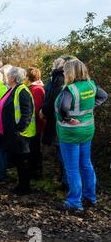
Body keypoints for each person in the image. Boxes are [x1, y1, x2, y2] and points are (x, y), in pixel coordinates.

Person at [55, 59, 108, 211]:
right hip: (87, 130)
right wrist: (91, 108)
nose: (63, 73)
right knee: (86, 164)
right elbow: (104, 96)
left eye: (65, 70)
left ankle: (74, 203)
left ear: (71, 72)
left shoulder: (69, 90)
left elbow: (63, 107)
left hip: (70, 133)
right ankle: (90, 198)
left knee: (72, 168)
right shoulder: (91, 85)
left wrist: (67, 118)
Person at [0, 67, 36, 196]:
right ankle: (21, 185)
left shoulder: (22, 91)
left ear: (13, 77)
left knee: (22, 162)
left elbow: (27, 112)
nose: (7, 78)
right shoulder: (13, 89)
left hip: (21, 134)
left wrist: (19, 129)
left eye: (8, 76)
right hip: (14, 133)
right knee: (19, 161)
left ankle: (24, 187)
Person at [42, 57, 68, 187]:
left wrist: (44, 110)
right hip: (55, 118)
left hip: (58, 119)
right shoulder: (56, 77)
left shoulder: (59, 78)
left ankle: (64, 181)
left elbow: (55, 99)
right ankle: (62, 178)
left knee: (61, 150)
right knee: (59, 149)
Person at [26, 68, 46, 179]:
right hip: (33, 124)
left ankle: (36, 172)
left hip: (36, 125)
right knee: (33, 148)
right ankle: (33, 170)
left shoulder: (37, 89)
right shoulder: (34, 88)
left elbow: (37, 108)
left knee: (35, 149)